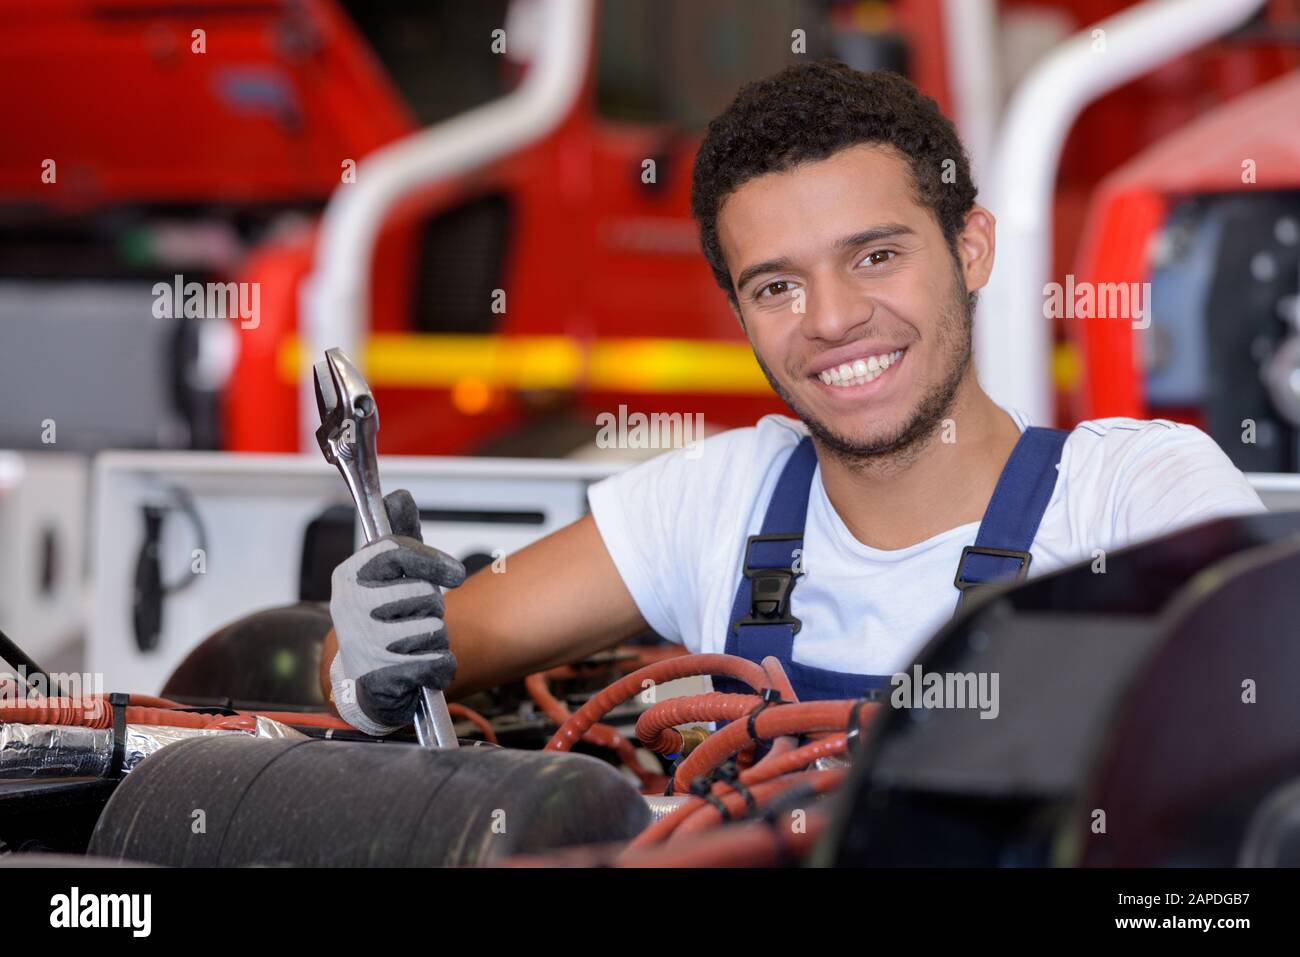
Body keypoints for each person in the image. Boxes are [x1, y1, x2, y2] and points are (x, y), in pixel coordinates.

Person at [320, 61, 1264, 733]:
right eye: (777, 285)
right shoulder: (714, 501)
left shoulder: (1132, 497)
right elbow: (425, 645)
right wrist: (366, 654)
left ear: (970, 248)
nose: (833, 319)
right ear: (737, 309)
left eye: (876, 256)